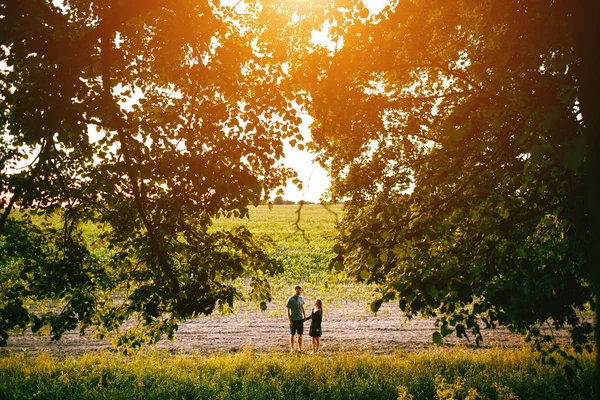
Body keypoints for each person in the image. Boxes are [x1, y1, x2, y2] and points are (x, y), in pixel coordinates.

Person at [286, 285, 306, 352]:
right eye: (299, 290)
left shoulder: (300, 298)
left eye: (300, 290)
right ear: (296, 290)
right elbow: (288, 310)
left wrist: (304, 316)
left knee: (300, 334)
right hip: (293, 319)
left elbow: (302, 307)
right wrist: (290, 320)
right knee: (292, 334)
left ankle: (300, 348)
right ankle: (292, 348)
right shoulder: (291, 299)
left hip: (300, 319)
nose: (300, 291)